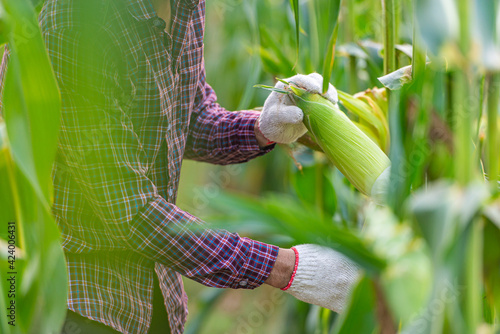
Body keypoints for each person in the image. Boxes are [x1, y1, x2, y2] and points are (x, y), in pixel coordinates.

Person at [0, 0, 359, 333]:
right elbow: (130, 210)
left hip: (157, 290)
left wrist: (263, 128)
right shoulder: (77, 23)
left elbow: (190, 119)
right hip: (80, 300)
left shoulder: (187, 6)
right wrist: (285, 268)